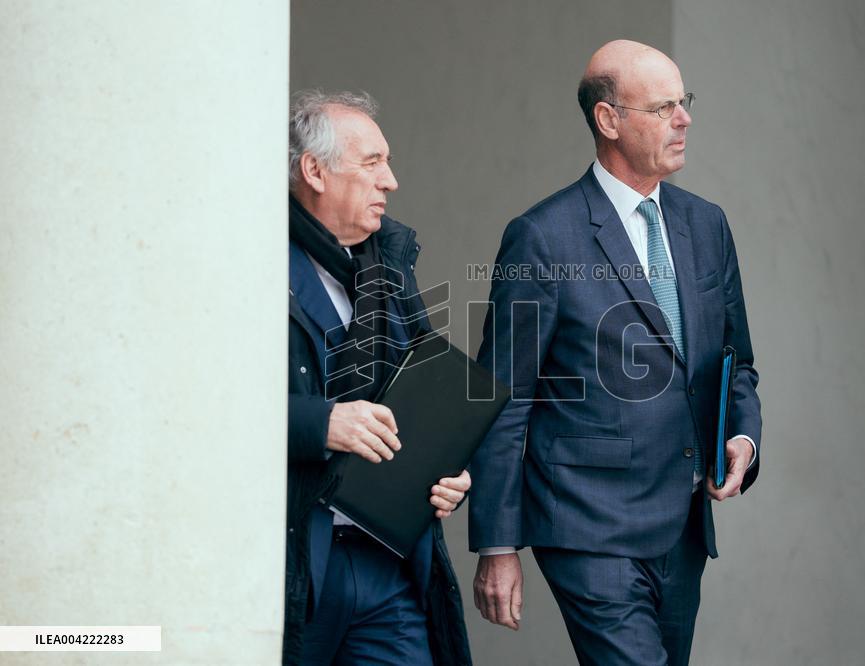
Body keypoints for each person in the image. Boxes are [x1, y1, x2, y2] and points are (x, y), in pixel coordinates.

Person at [469, 40, 762, 666]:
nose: (684, 119)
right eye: (662, 108)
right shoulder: (542, 237)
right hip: (586, 526)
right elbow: (500, 397)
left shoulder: (707, 225)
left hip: (684, 525)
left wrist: (742, 437)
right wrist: (497, 545)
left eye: (684, 102)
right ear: (609, 120)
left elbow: (736, 362)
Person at [284, 90, 472, 666]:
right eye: (372, 163)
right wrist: (322, 422)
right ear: (314, 171)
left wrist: (449, 474)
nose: (389, 181)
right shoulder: (244, 261)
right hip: (293, 564)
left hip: (388, 563)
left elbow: (419, 395)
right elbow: (197, 404)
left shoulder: (388, 266)